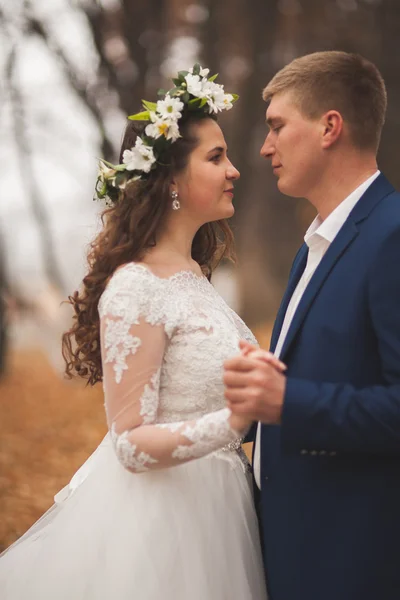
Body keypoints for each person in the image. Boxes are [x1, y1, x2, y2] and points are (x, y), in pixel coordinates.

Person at [0, 65, 273, 599]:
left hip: (222, 510)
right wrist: (235, 420)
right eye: (216, 158)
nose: (235, 170)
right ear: (170, 179)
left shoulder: (196, 277)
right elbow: (128, 442)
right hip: (165, 524)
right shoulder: (135, 287)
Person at [224, 50, 400, 600]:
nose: (264, 147)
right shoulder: (316, 245)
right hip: (291, 549)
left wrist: (287, 401)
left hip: (354, 562)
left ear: (329, 127)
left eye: (277, 126)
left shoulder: (392, 236)